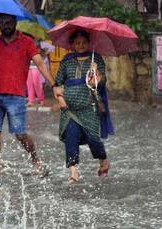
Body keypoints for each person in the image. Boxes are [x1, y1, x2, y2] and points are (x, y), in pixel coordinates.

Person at [0, 12, 63, 182]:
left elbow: (40, 63)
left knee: (20, 134)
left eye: (9, 22)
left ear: (15, 22)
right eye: (2, 22)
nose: (6, 25)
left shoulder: (26, 42)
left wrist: (54, 85)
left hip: (16, 96)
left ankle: (36, 161)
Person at [54, 29, 112, 183]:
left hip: (89, 107)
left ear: (89, 43)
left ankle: (103, 159)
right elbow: (58, 82)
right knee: (71, 137)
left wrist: (96, 76)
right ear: (72, 44)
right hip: (70, 109)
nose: (81, 45)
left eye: (84, 43)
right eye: (77, 43)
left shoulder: (96, 59)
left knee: (94, 139)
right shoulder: (66, 60)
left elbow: (102, 81)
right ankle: (73, 172)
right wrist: (60, 98)